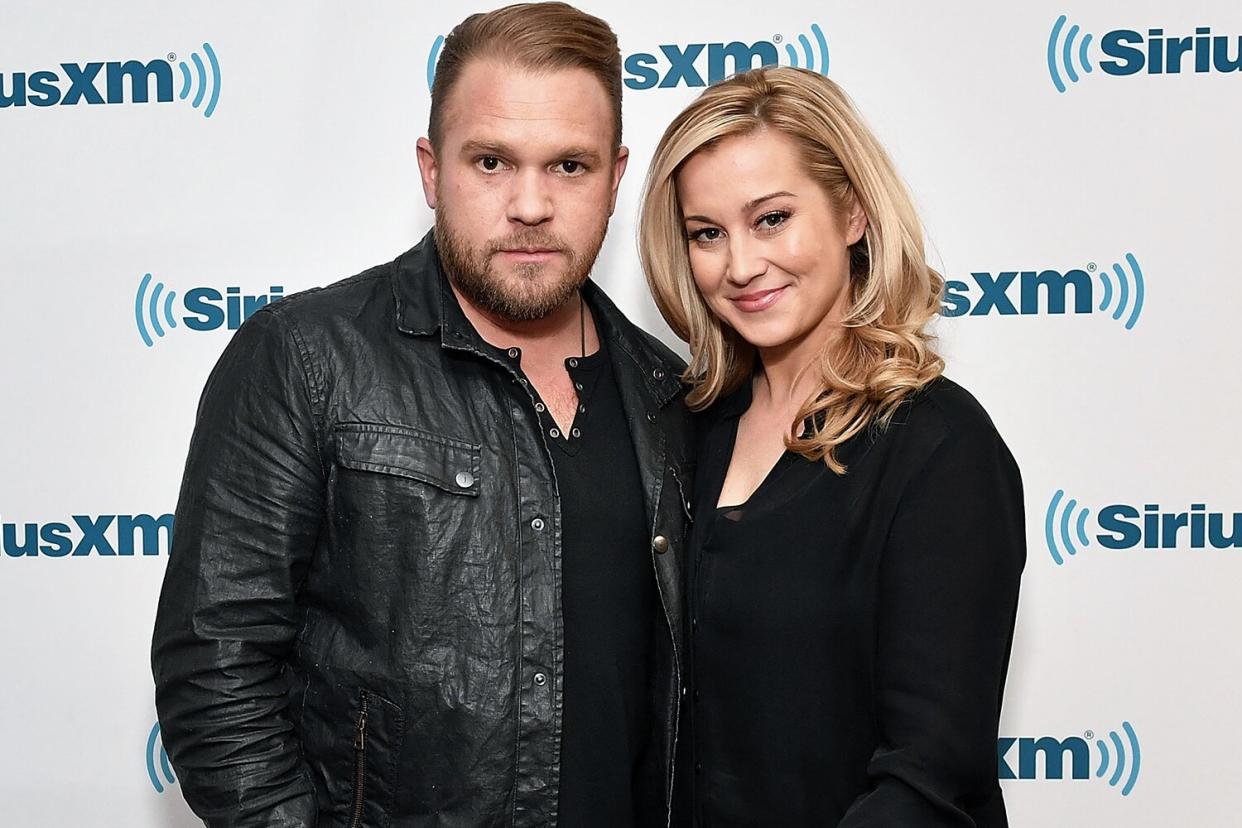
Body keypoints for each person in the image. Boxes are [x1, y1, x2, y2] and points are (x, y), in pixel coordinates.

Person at [151, 4, 694, 826]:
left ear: (616, 178)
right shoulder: (305, 357)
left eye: (569, 167)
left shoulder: (670, 392)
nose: (531, 204)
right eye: (491, 161)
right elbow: (215, 671)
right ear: (432, 169)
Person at [638, 66, 1025, 826]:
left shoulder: (940, 449)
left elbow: (930, 780)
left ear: (851, 211)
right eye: (707, 234)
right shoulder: (685, 431)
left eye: (772, 219)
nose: (741, 265)